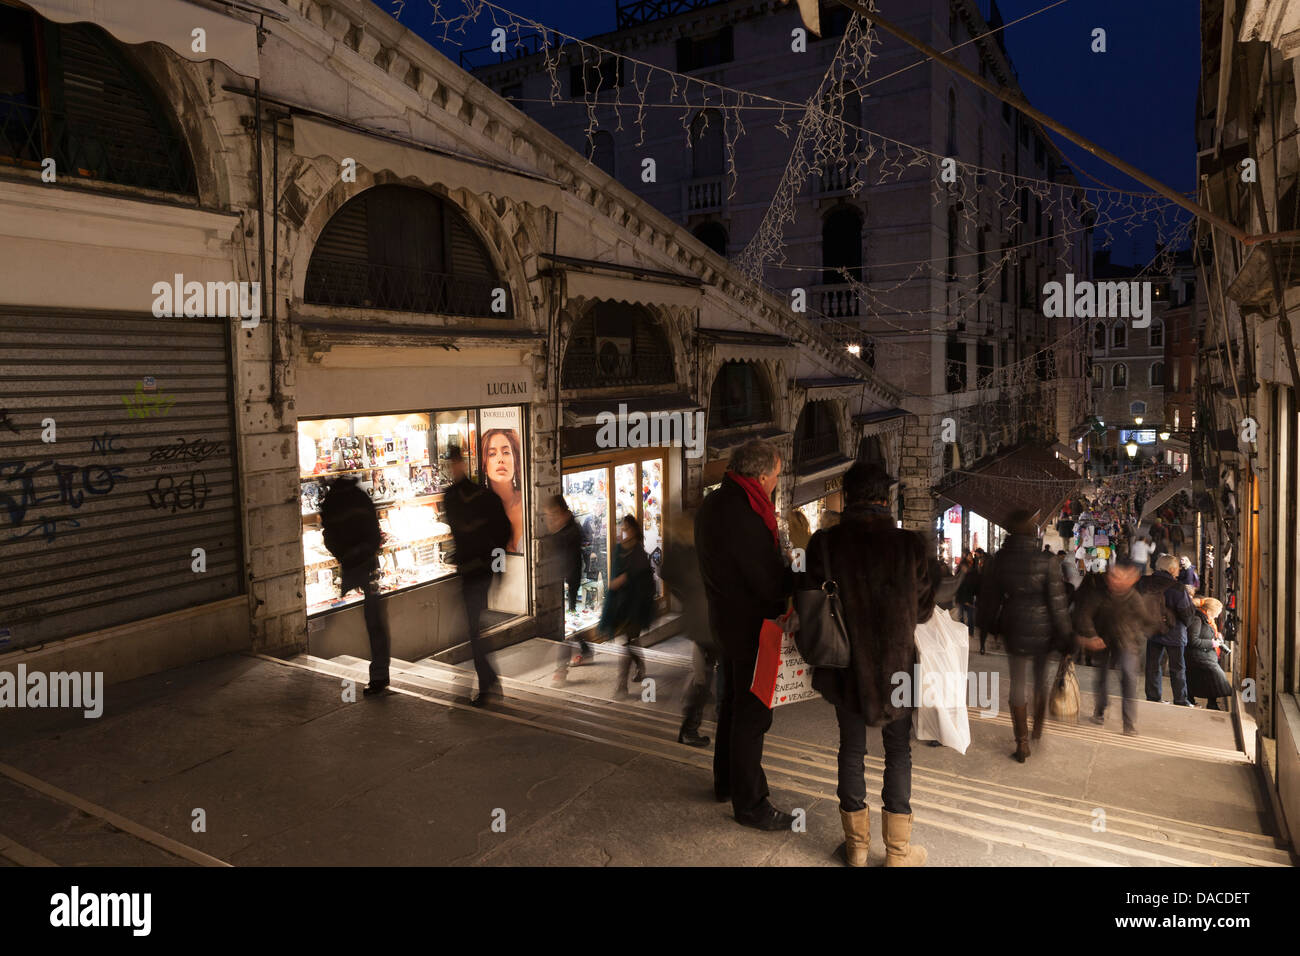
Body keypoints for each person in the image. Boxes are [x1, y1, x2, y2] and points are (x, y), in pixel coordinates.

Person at [806, 461, 932, 866]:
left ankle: (857, 847)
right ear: (884, 498)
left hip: (846, 666)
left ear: (848, 497)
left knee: (851, 749)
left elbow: (808, 597)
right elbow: (926, 609)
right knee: (899, 752)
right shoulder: (910, 545)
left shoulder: (824, 543)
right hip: (898, 667)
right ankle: (897, 853)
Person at [694, 439, 794, 831]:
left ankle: (726, 782)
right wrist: (795, 578)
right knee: (753, 713)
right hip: (751, 628)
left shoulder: (714, 505)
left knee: (734, 706)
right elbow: (766, 582)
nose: (774, 486)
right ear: (761, 476)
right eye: (774, 478)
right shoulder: (746, 514)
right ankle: (751, 803)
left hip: (725, 622)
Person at [977, 510, 1074, 762]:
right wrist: (1066, 638)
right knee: (1040, 681)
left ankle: (1021, 743)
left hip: (1014, 626)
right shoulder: (1048, 561)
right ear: (1034, 532)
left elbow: (988, 601)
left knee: (1017, 683)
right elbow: (1058, 605)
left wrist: (989, 629)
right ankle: (1037, 729)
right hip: (1044, 630)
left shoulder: (999, 560)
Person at [443, 445, 512, 707]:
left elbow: (501, 533)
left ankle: (487, 684)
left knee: (472, 630)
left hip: (478, 571)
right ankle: (487, 682)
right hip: (472, 571)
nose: (453, 467)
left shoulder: (478, 498)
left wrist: (495, 569)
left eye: (455, 463)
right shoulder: (456, 497)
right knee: (472, 631)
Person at [1073, 558, 1162, 735]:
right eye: (1113, 576)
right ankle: (1099, 711)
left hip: (1126, 642)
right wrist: (1092, 635)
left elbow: (1146, 620)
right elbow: (1084, 615)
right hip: (1102, 640)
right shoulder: (1099, 594)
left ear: (1131, 579)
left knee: (1129, 678)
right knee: (1102, 677)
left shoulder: (1134, 598)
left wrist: (1154, 622)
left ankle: (1128, 723)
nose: (1115, 580)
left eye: (1120, 577)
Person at [319, 476, 390, 696]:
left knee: (352, 620)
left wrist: (344, 555)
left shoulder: (331, 502)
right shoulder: (361, 497)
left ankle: (334, 665)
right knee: (375, 623)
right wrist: (365, 552)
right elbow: (375, 533)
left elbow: (328, 536)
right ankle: (379, 675)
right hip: (369, 567)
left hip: (351, 567)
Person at [660, 510, 716, 748]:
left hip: (698, 618)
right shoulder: (694, 554)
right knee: (704, 675)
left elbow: (666, 574)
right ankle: (689, 727)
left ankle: (695, 707)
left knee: (705, 670)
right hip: (705, 621)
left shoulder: (678, 552)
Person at [598, 514, 656, 697]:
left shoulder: (639, 554)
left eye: (627, 528)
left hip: (636, 606)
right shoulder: (619, 550)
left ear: (634, 530)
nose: (624, 532)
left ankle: (621, 685)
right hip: (621, 606)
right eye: (622, 528)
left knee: (627, 643)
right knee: (630, 642)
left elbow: (643, 581)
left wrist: (625, 579)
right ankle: (641, 666)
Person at [1138, 554, 1197, 706]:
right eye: (1177, 568)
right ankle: (1180, 699)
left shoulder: (1144, 582)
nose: (1178, 571)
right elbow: (1186, 612)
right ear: (1171, 569)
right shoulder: (1177, 588)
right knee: (1177, 667)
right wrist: (1187, 624)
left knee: (1153, 665)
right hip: (1175, 633)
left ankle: (1153, 697)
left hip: (1152, 629)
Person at [545, 495, 590, 682]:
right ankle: (585, 647)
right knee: (569, 623)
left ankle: (561, 670)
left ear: (564, 512)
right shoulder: (560, 529)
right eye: (548, 515)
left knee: (567, 625)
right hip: (559, 582)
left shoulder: (572, 530)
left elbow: (569, 558)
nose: (551, 519)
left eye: (554, 514)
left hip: (570, 583)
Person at [481, 428, 524, 553]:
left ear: (515, 459)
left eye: (506, 452)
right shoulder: (482, 510)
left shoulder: (528, 502)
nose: (500, 459)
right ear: (484, 464)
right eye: (492, 454)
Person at [1186, 597, 1231, 709]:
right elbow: (1193, 640)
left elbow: (1206, 633)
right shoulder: (1197, 620)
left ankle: (1211, 703)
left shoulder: (1208, 620)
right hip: (1197, 655)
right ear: (1210, 611)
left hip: (1206, 654)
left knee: (1205, 678)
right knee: (1215, 675)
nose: (1216, 616)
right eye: (1216, 613)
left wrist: (1217, 636)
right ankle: (1211, 703)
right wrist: (1212, 644)